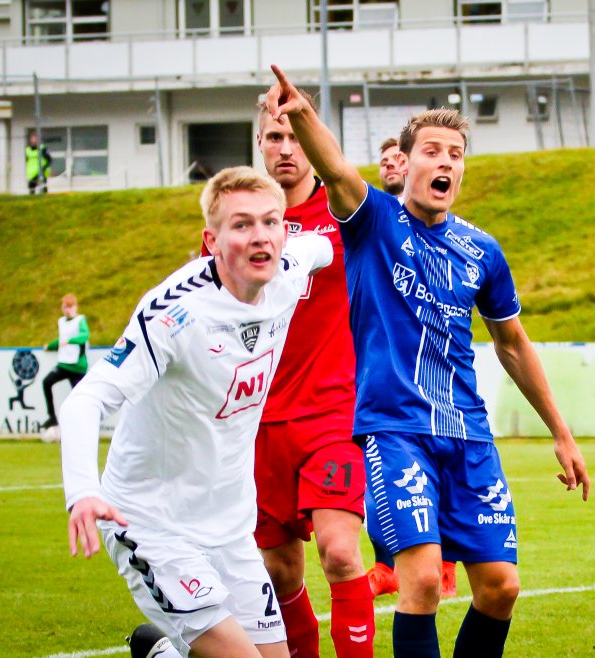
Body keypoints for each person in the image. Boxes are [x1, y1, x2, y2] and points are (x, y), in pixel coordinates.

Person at [266, 64, 591, 658]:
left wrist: (562, 432)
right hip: (395, 431)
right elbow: (335, 169)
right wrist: (301, 113)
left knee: (501, 587)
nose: (445, 162)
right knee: (419, 581)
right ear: (406, 162)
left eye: (456, 154)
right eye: (433, 151)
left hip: (469, 435)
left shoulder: (481, 250)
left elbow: (512, 343)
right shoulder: (373, 220)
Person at [61, 166, 333, 658]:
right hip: (151, 524)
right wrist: (82, 491)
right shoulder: (173, 313)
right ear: (211, 241)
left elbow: (324, 243)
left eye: (271, 222)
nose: (260, 236)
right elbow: (86, 399)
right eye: (241, 225)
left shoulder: (288, 271)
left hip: (231, 529)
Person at [208, 96, 374, 658]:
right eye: (273, 137)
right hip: (256, 424)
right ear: (259, 144)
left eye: (295, 136)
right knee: (278, 573)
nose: (285, 148)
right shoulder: (238, 225)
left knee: (341, 553)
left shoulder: (347, 211)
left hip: (333, 414)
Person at [366, 136, 458, 601]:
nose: (388, 167)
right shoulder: (371, 221)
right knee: (382, 491)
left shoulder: (454, 239)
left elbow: (511, 339)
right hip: (382, 396)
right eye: (383, 162)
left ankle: (446, 563)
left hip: (442, 399)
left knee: (438, 481)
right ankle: (388, 565)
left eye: (394, 159)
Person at [41, 294, 90, 431]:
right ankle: (52, 417)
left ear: (75, 307)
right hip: (64, 364)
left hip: (78, 366)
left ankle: (84, 425)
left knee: (80, 397)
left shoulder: (80, 320)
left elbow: (84, 336)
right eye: (64, 307)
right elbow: (61, 339)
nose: (67, 310)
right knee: (46, 382)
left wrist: (69, 341)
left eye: (70, 307)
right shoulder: (62, 321)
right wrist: (49, 346)